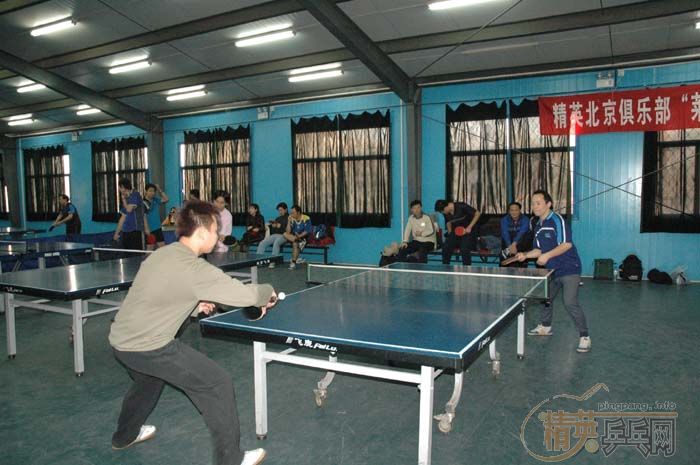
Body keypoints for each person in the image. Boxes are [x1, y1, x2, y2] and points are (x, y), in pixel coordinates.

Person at [109, 201, 275, 465]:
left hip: (121, 341)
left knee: (148, 380)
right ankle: (230, 459)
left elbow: (158, 294)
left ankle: (124, 436)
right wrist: (268, 292)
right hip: (150, 346)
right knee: (217, 383)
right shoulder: (195, 268)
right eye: (215, 230)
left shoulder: (162, 254)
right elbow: (246, 295)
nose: (218, 236)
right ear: (202, 232)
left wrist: (195, 306)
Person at [513, 190, 591, 353]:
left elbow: (566, 244)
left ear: (548, 204)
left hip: (569, 268)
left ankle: (585, 336)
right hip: (551, 270)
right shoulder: (538, 225)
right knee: (546, 298)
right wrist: (525, 255)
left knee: (570, 302)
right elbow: (538, 250)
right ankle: (545, 327)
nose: (535, 206)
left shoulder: (557, 220)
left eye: (538, 203)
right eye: (533, 203)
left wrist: (547, 256)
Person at [434, 199, 481, 265]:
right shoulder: (446, 213)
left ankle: (466, 268)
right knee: (446, 247)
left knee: (464, 248)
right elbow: (448, 223)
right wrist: (450, 235)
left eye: (442, 211)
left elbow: (478, 213)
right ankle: (445, 266)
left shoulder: (461, 206)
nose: (442, 213)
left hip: (468, 231)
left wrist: (469, 227)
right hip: (456, 231)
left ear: (446, 207)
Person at [114, 178, 145, 250]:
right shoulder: (126, 198)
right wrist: (116, 233)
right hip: (125, 231)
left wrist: (123, 199)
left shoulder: (135, 194)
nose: (119, 190)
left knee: (136, 254)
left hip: (135, 230)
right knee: (127, 254)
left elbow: (129, 210)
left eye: (119, 187)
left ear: (123, 187)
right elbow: (123, 217)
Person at [256, 202, 289, 268]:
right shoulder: (278, 218)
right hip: (276, 235)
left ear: (286, 209)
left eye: (281, 210)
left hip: (285, 236)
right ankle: (258, 261)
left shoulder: (289, 218)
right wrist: (273, 226)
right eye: (279, 210)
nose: (280, 212)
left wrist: (281, 226)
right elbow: (274, 231)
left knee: (276, 242)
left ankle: (273, 261)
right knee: (262, 243)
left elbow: (289, 230)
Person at [500, 201, 530, 267]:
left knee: (525, 237)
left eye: (516, 210)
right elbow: (505, 233)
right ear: (509, 211)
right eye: (512, 210)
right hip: (508, 245)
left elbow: (521, 232)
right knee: (504, 262)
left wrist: (514, 244)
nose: (514, 212)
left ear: (520, 210)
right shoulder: (504, 219)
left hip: (521, 244)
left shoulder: (526, 219)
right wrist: (510, 246)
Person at [283, 205, 311, 270]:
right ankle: (299, 241)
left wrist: (300, 236)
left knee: (295, 243)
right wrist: (288, 222)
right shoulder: (291, 218)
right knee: (285, 234)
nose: (291, 214)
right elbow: (288, 232)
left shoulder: (306, 218)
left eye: (293, 212)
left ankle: (293, 263)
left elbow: (307, 231)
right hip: (294, 237)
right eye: (291, 212)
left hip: (304, 237)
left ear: (298, 212)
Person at [143, 183, 169, 250]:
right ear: (146, 191)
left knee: (163, 248)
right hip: (150, 229)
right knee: (150, 249)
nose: (152, 193)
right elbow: (144, 216)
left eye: (154, 191)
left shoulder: (156, 200)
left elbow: (166, 199)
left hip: (158, 228)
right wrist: (146, 228)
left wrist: (159, 189)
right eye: (150, 191)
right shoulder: (143, 203)